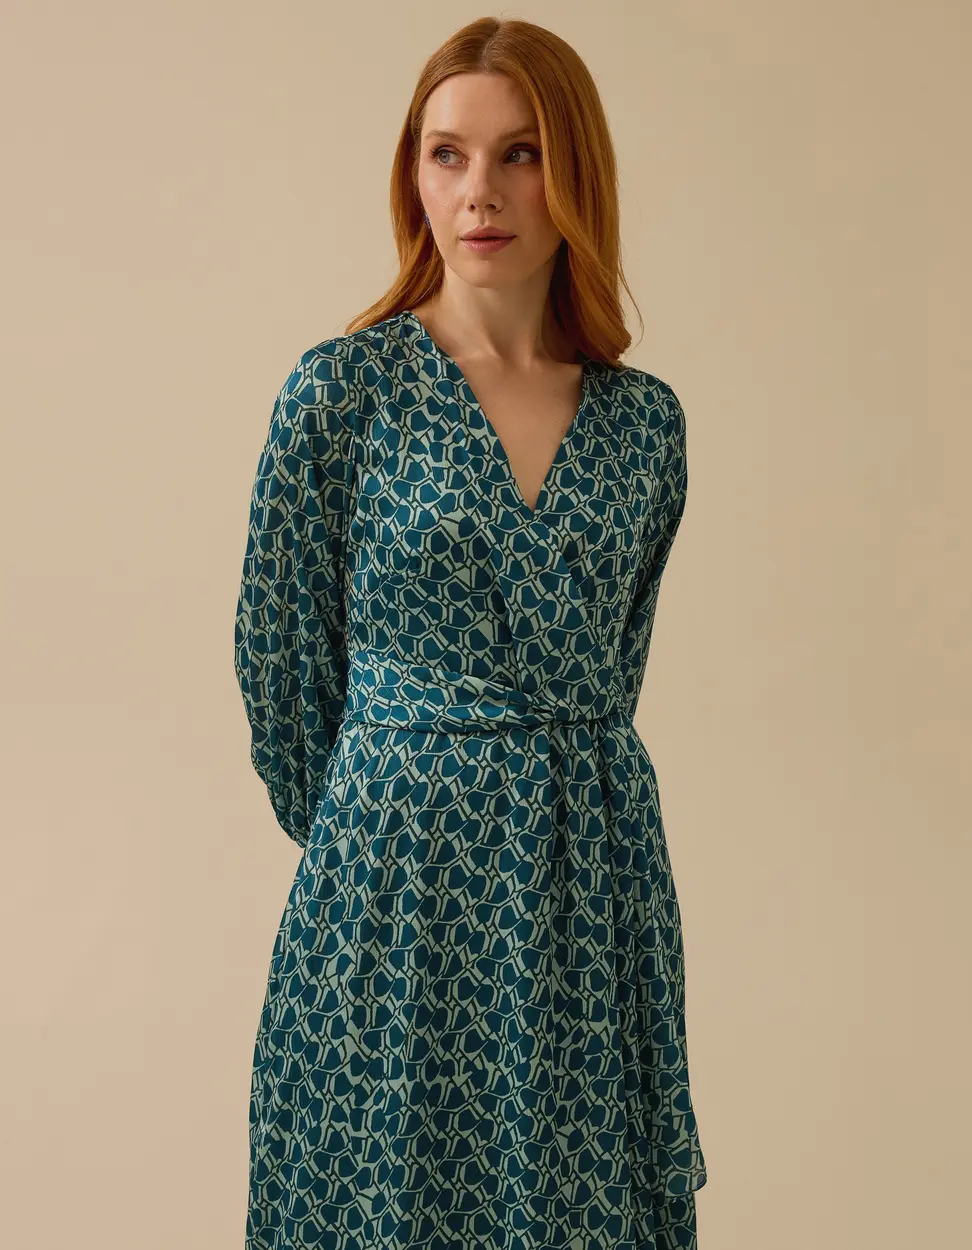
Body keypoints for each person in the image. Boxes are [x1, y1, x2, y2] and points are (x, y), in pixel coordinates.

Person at [234, 15, 707, 1250]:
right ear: (413, 174)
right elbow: (281, 669)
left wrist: (543, 792)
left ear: (574, 172)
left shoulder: (645, 426)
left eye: (519, 153)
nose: (478, 192)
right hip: (391, 890)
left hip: (585, 885)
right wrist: (386, 817)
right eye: (446, 154)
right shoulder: (340, 393)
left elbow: (612, 669)